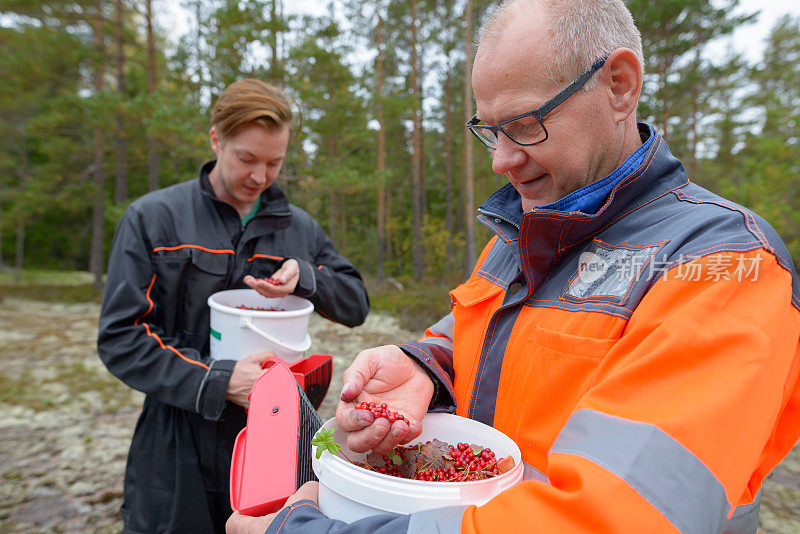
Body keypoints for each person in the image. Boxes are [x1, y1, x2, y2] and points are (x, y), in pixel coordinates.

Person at [227, 0, 800, 532]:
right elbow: (494, 343)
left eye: (526, 125)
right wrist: (426, 368)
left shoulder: (725, 266)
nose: (502, 159)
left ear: (619, 87)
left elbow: (614, 519)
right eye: (490, 130)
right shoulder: (520, 233)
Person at [97, 78, 370, 534]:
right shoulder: (154, 218)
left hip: (276, 438)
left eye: (274, 163)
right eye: (247, 158)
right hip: (175, 438)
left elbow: (356, 304)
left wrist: (306, 276)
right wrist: (217, 380)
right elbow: (121, 338)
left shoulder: (297, 228)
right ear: (216, 140)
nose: (260, 177)